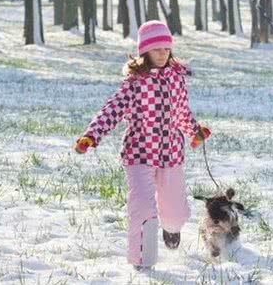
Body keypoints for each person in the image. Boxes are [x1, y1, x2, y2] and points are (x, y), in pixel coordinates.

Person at [74, 20, 211, 270]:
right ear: (144, 51)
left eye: (166, 48)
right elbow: (112, 110)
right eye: (157, 48)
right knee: (142, 207)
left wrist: (195, 130)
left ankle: (171, 228)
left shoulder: (177, 79)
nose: (162, 53)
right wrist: (91, 135)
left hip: (171, 154)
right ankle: (142, 261)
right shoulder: (135, 83)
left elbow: (181, 112)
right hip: (139, 152)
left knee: (175, 213)